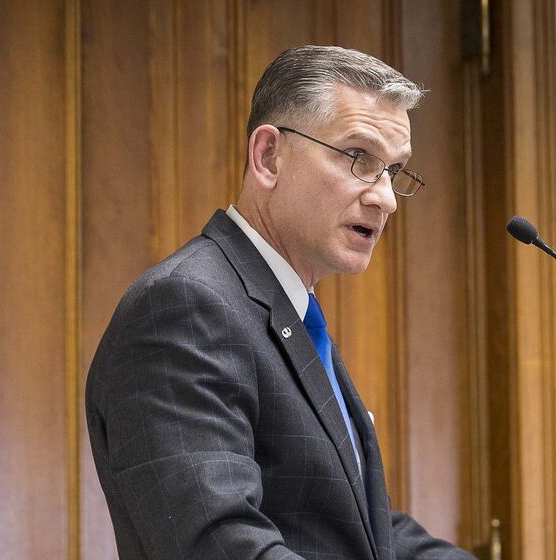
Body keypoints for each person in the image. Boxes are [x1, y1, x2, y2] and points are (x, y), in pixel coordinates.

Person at [86, 45, 476, 560]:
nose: (382, 197)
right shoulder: (185, 306)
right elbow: (221, 544)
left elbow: (362, 529)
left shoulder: (287, 312)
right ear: (268, 156)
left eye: (392, 171)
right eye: (359, 158)